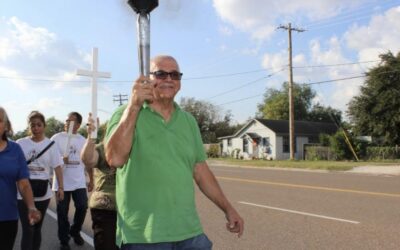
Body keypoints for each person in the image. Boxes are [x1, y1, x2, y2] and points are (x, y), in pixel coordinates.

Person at [105, 55, 244, 249]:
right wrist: (134, 106)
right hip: (144, 236)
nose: (169, 79)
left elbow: (200, 171)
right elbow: (115, 158)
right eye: (161, 74)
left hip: (189, 231)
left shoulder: (188, 121)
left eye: (175, 75)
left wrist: (228, 209)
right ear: (148, 79)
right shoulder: (124, 114)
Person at [16, 111, 65, 250]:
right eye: (33, 125)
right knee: (28, 229)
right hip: (23, 193)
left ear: (44, 125)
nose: (36, 128)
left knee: (37, 228)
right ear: (29, 127)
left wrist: (61, 187)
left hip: (43, 194)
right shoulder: (21, 143)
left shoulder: (51, 145)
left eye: (39, 125)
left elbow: (57, 167)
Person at [0, 107, 41, 250]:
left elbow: (23, 184)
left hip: (7, 217)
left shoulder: (15, 150)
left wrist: (31, 206)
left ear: (6, 126)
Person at [51, 112, 89, 250]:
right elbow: (50, 159)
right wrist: (62, 159)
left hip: (78, 181)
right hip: (61, 183)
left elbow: (87, 160)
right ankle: (64, 240)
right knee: (62, 212)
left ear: (78, 125)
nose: (67, 123)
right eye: (66, 120)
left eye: (71, 121)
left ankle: (75, 230)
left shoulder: (82, 140)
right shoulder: (56, 138)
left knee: (82, 206)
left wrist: (91, 179)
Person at [81, 114, 118, 250]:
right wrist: (91, 138)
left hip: (131, 209)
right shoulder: (102, 148)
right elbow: (88, 160)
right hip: (105, 209)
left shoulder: (136, 147)